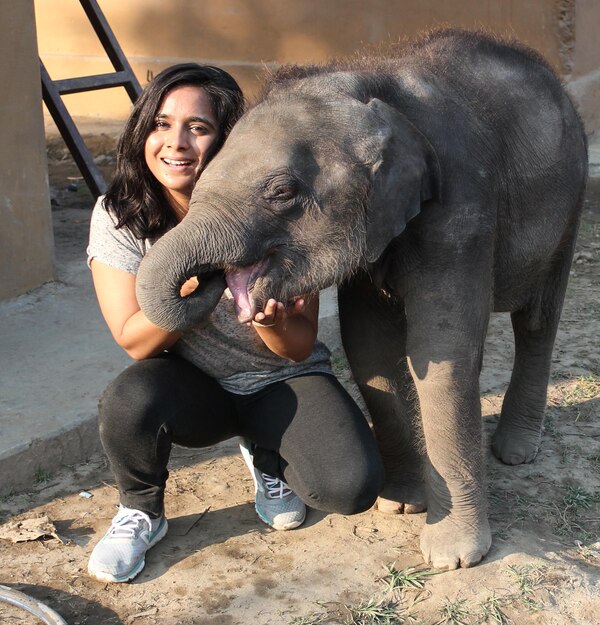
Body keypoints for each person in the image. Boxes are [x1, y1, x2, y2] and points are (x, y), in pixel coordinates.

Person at [86, 63, 384, 584]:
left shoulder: (280, 204)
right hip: (194, 387)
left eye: (197, 128)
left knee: (349, 486)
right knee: (130, 397)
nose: (175, 143)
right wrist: (202, 284)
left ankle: (267, 455)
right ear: (143, 132)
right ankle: (141, 510)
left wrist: (268, 322)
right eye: (161, 124)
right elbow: (134, 340)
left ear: (228, 139)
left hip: (278, 378)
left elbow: (298, 346)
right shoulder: (122, 214)